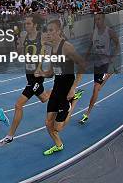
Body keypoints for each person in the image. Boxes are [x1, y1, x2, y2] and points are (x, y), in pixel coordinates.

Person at [0, 14, 52, 146]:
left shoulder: (41, 36)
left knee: (18, 105)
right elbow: (20, 53)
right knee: (44, 98)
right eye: (25, 23)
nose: (26, 26)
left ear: (35, 25)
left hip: (37, 78)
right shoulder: (24, 36)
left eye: (29, 23)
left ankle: (10, 136)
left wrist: (43, 67)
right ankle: (62, 92)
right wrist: (18, 45)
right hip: (29, 74)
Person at [39, 19, 85, 156]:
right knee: (48, 123)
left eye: (52, 30)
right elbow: (52, 72)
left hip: (67, 91)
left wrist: (73, 88)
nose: (49, 33)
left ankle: (74, 101)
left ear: (59, 31)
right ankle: (59, 145)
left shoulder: (67, 47)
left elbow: (82, 65)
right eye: (48, 30)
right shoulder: (50, 49)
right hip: (56, 88)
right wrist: (43, 73)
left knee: (57, 127)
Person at [79, 13, 120, 124]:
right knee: (98, 87)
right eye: (95, 20)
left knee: (96, 88)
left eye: (99, 19)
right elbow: (89, 47)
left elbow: (117, 44)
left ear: (103, 20)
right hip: (96, 64)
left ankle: (87, 114)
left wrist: (113, 56)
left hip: (105, 64)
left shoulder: (109, 32)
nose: (97, 21)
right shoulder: (93, 34)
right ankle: (111, 72)